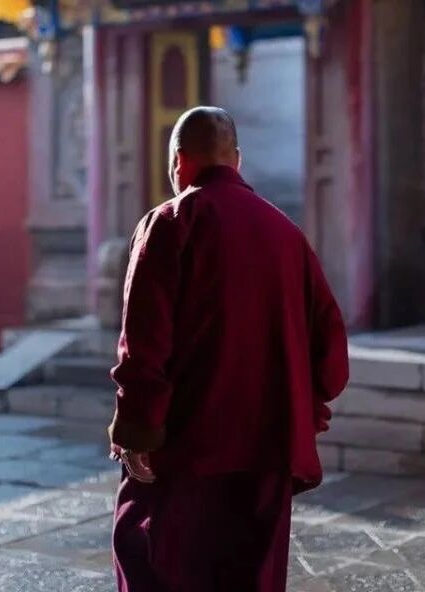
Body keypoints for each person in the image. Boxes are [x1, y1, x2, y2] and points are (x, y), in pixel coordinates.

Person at [109, 106, 349, 592]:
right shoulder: (288, 234)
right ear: (236, 160)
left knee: (162, 567)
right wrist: (303, 409)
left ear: (178, 162)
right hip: (268, 450)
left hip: (187, 449)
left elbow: (144, 346)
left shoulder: (170, 223)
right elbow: (331, 353)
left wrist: (138, 434)